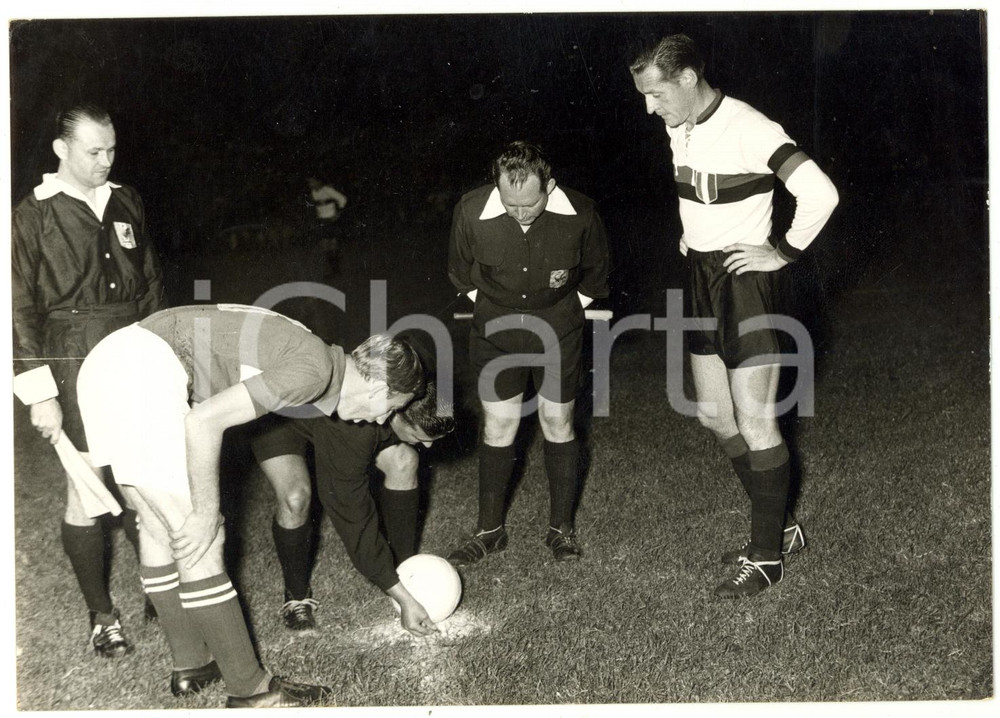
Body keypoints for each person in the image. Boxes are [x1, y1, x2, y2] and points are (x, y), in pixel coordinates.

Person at [75, 305, 425, 706]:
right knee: (201, 533)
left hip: (110, 359)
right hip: (142, 369)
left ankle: (192, 664)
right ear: (380, 391)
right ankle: (251, 691)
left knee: (157, 523)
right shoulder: (314, 369)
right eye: (393, 408)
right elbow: (203, 421)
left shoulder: (316, 355)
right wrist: (206, 511)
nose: (383, 420)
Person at [630, 34, 839, 598]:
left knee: (756, 421)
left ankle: (767, 556)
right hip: (702, 277)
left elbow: (821, 193)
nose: (650, 108)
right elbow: (699, 192)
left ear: (689, 79)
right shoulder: (681, 127)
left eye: (655, 94)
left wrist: (785, 252)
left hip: (749, 285)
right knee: (715, 417)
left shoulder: (752, 127)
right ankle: (783, 527)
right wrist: (691, 237)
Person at [11, 102, 166, 658]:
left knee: (146, 474)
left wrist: (164, 354)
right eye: (93, 151)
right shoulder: (33, 214)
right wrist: (39, 393)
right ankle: (102, 616)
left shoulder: (126, 201)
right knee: (88, 484)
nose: (105, 160)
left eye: (112, 150)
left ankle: (160, 586)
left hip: (133, 344)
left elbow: (149, 284)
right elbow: (18, 309)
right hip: (70, 354)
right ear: (61, 149)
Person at [446, 141, 610, 566]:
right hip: (495, 333)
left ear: (549, 186)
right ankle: (490, 530)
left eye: (530, 204)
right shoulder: (469, 212)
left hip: (558, 330)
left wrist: (565, 312)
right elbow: (459, 272)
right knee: (498, 425)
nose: (519, 214)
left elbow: (596, 277)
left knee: (558, 421)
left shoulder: (581, 214)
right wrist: (494, 308)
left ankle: (561, 529)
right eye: (509, 203)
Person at [250, 381, 456, 632]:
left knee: (404, 460)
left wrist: (402, 585)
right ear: (397, 414)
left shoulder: (411, 382)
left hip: (335, 415)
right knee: (295, 497)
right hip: (279, 416)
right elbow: (355, 523)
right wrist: (396, 591)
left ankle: (405, 570)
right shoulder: (352, 434)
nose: (428, 446)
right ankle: (297, 595)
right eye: (418, 437)